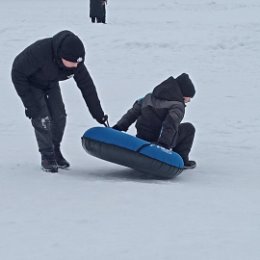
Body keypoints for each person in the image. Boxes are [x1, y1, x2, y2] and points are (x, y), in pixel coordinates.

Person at [11, 30, 108, 173]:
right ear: (61, 56)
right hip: (30, 83)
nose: (76, 66)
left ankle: (55, 149)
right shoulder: (40, 52)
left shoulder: (76, 62)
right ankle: (47, 155)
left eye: (78, 62)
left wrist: (98, 114)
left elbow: (87, 88)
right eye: (72, 62)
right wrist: (29, 104)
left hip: (50, 83)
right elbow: (17, 72)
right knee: (42, 118)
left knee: (59, 116)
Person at [113, 73, 197, 169]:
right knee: (188, 128)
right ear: (182, 93)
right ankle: (182, 160)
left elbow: (131, 114)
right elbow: (170, 124)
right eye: (189, 97)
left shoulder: (148, 97)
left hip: (142, 139)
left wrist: (117, 128)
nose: (189, 100)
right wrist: (162, 146)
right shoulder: (177, 106)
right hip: (159, 142)